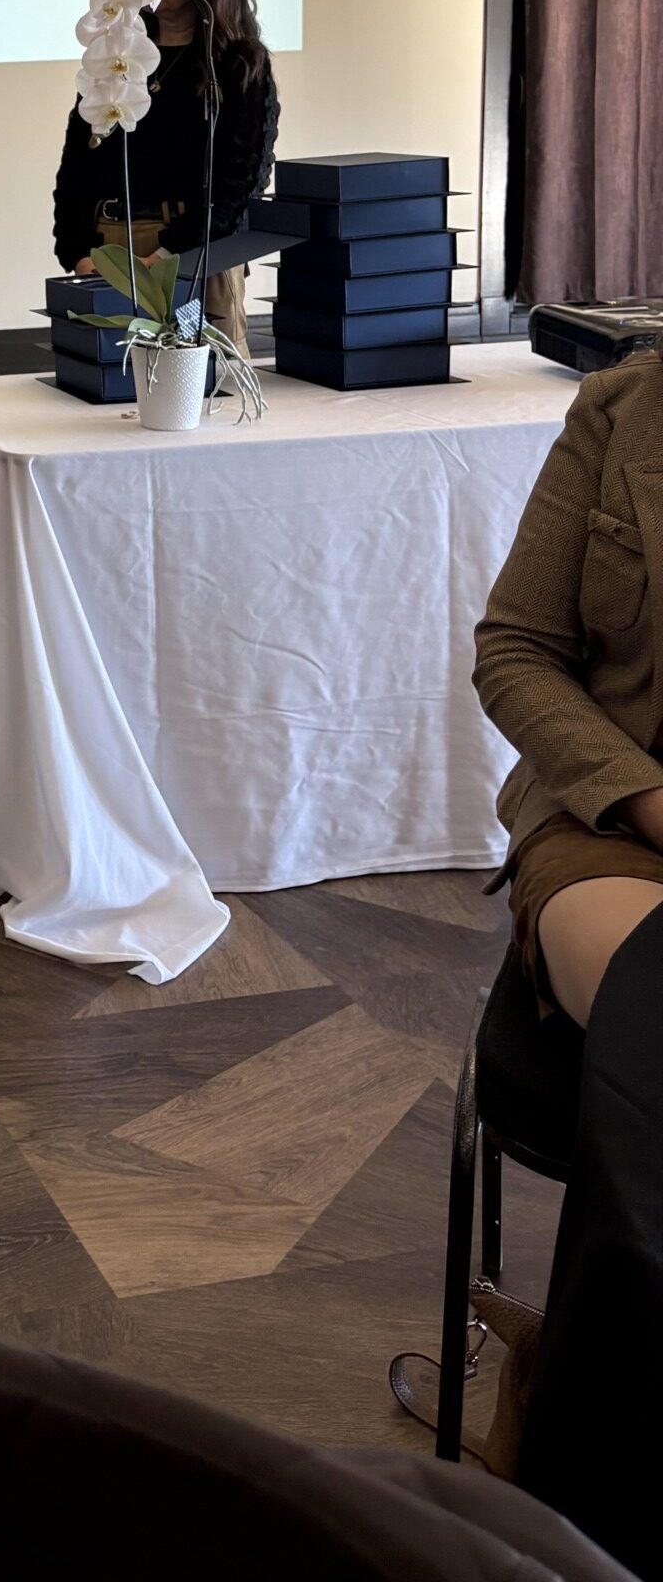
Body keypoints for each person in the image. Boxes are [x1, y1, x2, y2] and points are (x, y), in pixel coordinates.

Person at [472, 353, 663, 1577]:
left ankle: (568, 1388)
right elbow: (515, 650)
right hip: (609, 831)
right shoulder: (624, 410)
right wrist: (647, 800)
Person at [51, 0, 277, 354]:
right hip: (108, 250)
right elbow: (77, 162)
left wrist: (170, 253)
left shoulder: (236, 64)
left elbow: (241, 180)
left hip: (195, 256)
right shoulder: (116, 51)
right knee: (109, 384)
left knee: (202, 385)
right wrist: (76, 250)